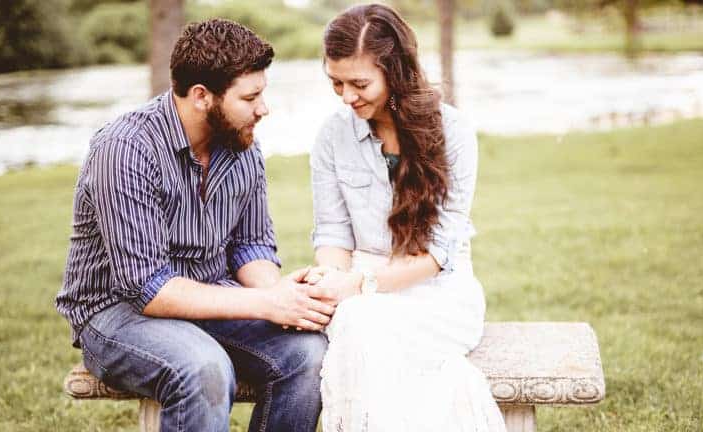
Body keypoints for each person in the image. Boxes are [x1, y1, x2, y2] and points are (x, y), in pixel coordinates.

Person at [54, 19, 333, 432]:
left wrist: (283, 295)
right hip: (116, 313)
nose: (263, 108)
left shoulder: (243, 146)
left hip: (211, 299)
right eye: (250, 97)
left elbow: (250, 247)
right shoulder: (125, 149)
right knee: (204, 368)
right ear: (202, 96)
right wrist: (266, 304)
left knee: (309, 355)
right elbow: (146, 288)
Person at [302, 4, 508, 431]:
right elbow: (333, 232)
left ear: (393, 71)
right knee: (356, 322)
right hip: (358, 289)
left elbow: (439, 253)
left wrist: (360, 286)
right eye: (336, 82)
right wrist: (330, 280)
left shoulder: (452, 131)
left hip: (439, 294)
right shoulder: (331, 136)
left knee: (360, 326)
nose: (346, 96)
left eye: (359, 83)